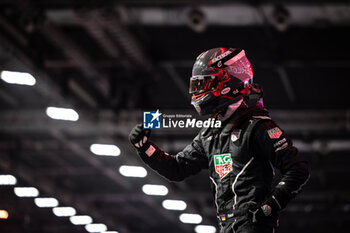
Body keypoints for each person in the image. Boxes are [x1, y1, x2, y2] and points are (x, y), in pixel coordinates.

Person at [129, 47, 310, 233]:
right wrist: (146, 148)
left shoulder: (258, 127)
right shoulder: (209, 133)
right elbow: (177, 169)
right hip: (226, 227)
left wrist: (269, 206)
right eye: (198, 86)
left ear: (228, 81)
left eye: (206, 84)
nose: (199, 92)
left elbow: (298, 168)